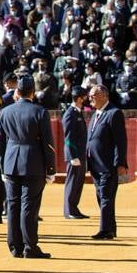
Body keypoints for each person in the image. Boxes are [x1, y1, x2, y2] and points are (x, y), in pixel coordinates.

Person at [0, 75, 56, 259]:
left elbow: (0, 143)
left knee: (13, 205)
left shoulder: (5, 112)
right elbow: (48, 144)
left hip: (10, 163)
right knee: (29, 205)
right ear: (33, 92)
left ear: (16, 92)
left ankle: (15, 246)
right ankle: (30, 246)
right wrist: (51, 169)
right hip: (33, 163)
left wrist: (3, 167)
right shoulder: (40, 111)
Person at [85, 83, 127, 240]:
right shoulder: (97, 114)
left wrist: (120, 163)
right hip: (95, 163)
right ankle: (110, 228)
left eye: (93, 96)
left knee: (105, 196)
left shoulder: (114, 113)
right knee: (101, 196)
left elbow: (120, 141)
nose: (90, 99)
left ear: (103, 95)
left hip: (108, 164)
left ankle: (105, 230)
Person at [62, 86, 90, 219]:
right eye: (84, 97)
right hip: (75, 155)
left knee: (78, 182)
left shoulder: (76, 112)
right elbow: (68, 138)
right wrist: (72, 156)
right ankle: (69, 210)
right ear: (79, 99)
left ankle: (74, 208)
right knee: (72, 182)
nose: (86, 99)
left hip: (80, 154)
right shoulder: (70, 113)